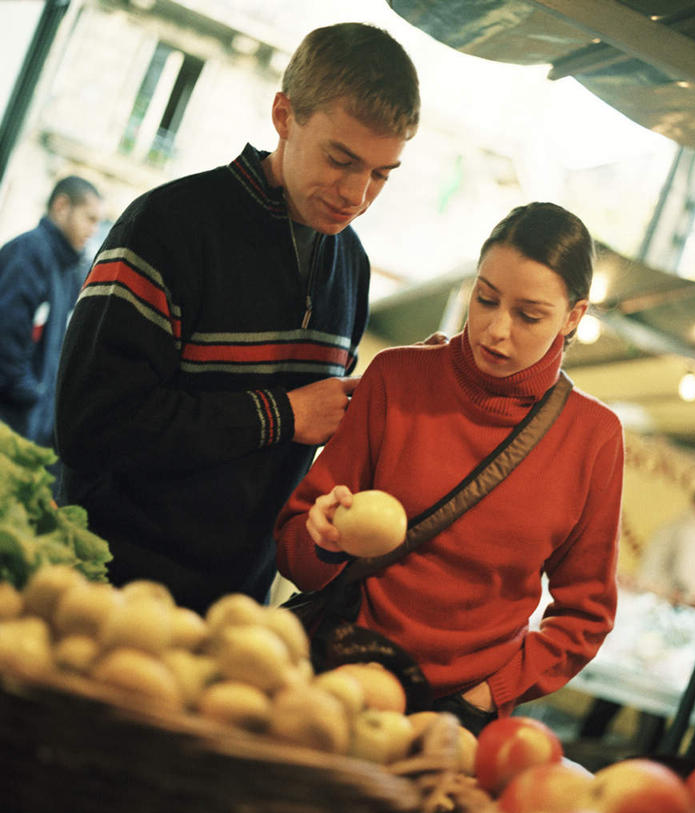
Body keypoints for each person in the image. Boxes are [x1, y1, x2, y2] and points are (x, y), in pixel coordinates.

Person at [54, 23, 421, 614]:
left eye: (381, 173)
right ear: (284, 115)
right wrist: (283, 414)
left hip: (233, 607)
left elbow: (297, 449)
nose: (356, 194)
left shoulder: (352, 266)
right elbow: (91, 425)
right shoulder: (166, 226)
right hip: (102, 586)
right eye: (341, 159)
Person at [275, 202, 624, 734]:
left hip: (455, 717)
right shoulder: (396, 376)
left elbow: (586, 615)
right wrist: (323, 538)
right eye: (484, 299)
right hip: (338, 672)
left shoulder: (593, 437)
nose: (495, 330)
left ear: (573, 317)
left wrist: (492, 694)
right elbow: (296, 550)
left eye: (529, 315)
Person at [577, 483, 695, 748]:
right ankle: (648, 757)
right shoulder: (692, 531)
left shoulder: (680, 525)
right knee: (651, 694)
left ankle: (590, 740)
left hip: (647, 618)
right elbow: (688, 583)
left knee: (624, 687)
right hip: (658, 624)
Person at [0, 176, 102, 447]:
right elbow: (7, 335)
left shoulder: (69, 268)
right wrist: (31, 394)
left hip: (28, 422)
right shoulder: (30, 253)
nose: (93, 229)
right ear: (61, 206)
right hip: (11, 418)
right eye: (89, 218)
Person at [636, 483, 695, 610]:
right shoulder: (692, 529)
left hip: (651, 599)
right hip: (656, 602)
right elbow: (686, 578)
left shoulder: (687, 524)